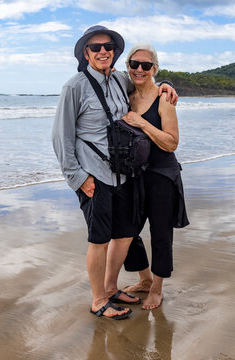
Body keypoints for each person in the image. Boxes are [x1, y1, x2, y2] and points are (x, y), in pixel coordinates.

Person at [51, 26, 177, 320]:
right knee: (99, 239)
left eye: (108, 46)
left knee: (124, 234)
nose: (103, 51)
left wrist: (167, 83)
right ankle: (98, 300)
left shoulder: (120, 80)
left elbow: (145, 78)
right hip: (94, 177)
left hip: (123, 173)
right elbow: (61, 137)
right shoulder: (75, 87)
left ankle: (109, 287)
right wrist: (77, 178)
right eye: (95, 48)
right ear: (86, 53)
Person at [121, 43, 189, 310]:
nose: (140, 69)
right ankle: (144, 279)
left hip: (162, 174)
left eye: (146, 65)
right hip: (134, 174)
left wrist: (142, 122)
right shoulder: (126, 95)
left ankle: (157, 289)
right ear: (128, 67)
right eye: (134, 64)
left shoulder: (164, 99)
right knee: (126, 230)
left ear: (154, 69)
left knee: (161, 233)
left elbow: (172, 143)